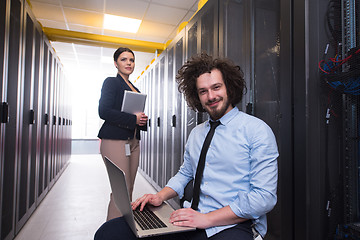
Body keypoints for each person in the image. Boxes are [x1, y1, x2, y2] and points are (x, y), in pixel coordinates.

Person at [94, 53, 278, 240]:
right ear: (196, 96)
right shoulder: (197, 133)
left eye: (216, 87)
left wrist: (207, 219)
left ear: (229, 87)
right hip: (191, 217)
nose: (211, 96)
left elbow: (264, 197)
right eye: (203, 91)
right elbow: (186, 173)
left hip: (235, 223)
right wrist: (160, 196)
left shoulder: (257, 131)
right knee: (108, 233)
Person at [98, 47, 148, 221]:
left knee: (129, 189)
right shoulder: (111, 82)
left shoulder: (135, 88)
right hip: (115, 141)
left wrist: (141, 120)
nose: (128, 63)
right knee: (122, 191)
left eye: (131, 60)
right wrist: (132, 119)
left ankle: (123, 229)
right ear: (115, 63)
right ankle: (112, 232)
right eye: (124, 59)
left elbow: (134, 115)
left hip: (133, 141)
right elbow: (103, 111)